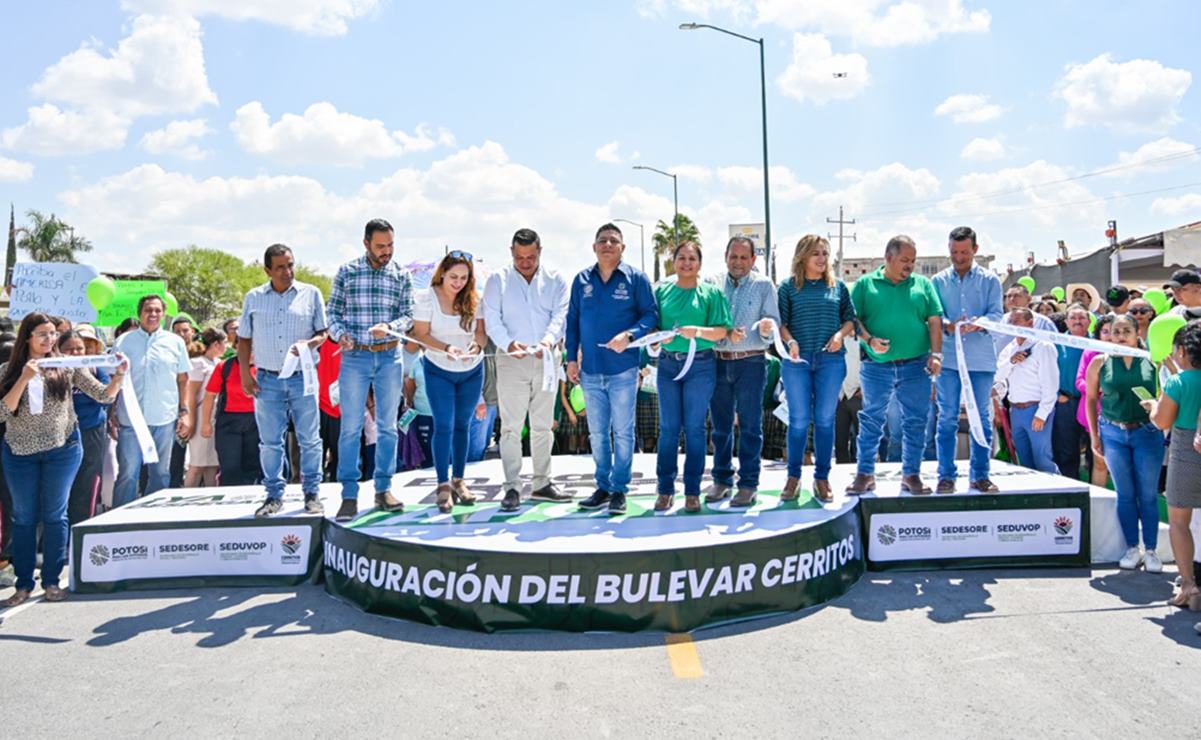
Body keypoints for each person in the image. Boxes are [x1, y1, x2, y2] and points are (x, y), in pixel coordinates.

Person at [0, 312, 127, 606]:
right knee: (24, 516)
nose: (49, 339)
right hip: (20, 452)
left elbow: (104, 395)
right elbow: (3, 412)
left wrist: (119, 375)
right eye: (42, 334)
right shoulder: (8, 369)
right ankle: (23, 584)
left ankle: (52, 581)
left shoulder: (66, 367)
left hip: (63, 450)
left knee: (56, 514)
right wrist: (24, 378)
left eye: (52, 334)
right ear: (27, 338)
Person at [565, 223, 658, 515]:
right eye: (602, 240)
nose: (607, 244)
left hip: (623, 370)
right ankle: (602, 486)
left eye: (613, 241)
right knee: (597, 433)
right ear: (594, 247)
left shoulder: (636, 279)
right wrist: (570, 358)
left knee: (623, 431)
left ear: (622, 248)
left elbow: (651, 315)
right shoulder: (581, 280)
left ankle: (620, 489)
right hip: (590, 370)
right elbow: (572, 321)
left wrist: (630, 335)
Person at [326, 218, 414, 521]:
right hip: (355, 358)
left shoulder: (401, 275)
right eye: (380, 246)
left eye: (390, 245)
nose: (386, 251)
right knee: (350, 428)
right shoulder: (347, 272)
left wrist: (391, 327)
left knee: (388, 426)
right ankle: (349, 493)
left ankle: (383, 488)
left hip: (390, 357)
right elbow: (332, 313)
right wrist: (341, 335)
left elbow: (409, 316)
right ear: (366, 244)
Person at [847, 235, 944, 495]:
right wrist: (868, 339)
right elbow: (851, 319)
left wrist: (937, 355)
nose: (909, 266)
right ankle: (865, 474)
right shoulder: (865, 285)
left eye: (912, 261)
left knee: (916, 421)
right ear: (888, 258)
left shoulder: (923, 284)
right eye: (904, 260)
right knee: (871, 420)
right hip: (876, 366)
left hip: (916, 366)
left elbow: (934, 320)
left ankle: (911, 475)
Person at [483, 228, 571, 510]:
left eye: (530, 257)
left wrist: (547, 340)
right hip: (511, 360)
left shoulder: (556, 279)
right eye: (520, 257)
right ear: (511, 252)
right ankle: (511, 487)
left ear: (540, 251)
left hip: (546, 358)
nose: (525, 262)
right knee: (510, 427)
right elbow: (491, 318)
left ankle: (542, 482)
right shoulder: (498, 279)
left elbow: (561, 314)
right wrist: (509, 344)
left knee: (543, 425)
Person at [237, 243, 328, 516]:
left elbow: (323, 333)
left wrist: (310, 343)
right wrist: (244, 372)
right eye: (280, 267)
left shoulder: (310, 294)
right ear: (267, 270)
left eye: (290, 265)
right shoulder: (253, 298)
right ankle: (274, 494)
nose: (287, 271)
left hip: (303, 378)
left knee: (310, 439)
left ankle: (311, 492)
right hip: (267, 379)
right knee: (269, 441)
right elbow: (244, 338)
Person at [652, 241, 731, 513]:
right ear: (674, 262)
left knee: (695, 429)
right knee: (669, 429)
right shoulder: (660, 291)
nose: (686, 263)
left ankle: (693, 491)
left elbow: (722, 331)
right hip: (667, 366)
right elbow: (652, 327)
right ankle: (664, 489)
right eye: (682, 258)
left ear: (700, 263)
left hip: (700, 366)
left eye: (692, 258)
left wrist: (697, 330)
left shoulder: (711, 293)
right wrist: (652, 341)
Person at [777, 234, 854, 503]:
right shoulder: (787, 288)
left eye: (825, 253)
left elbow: (850, 321)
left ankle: (822, 477)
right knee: (798, 421)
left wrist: (839, 336)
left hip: (830, 361)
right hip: (797, 361)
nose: (822, 259)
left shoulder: (838, 287)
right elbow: (781, 324)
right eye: (816, 254)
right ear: (802, 257)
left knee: (824, 420)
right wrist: (790, 341)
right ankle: (793, 477)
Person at [706, 236, 782, 507]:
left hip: (752, 362)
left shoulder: (764, 285)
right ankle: (722, 480)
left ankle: (749, 484)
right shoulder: (712, 283)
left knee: (750, 426)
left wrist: (766, 326)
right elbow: (705, 318)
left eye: (743, 257)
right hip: (717, 360)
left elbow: (774, 320)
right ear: (725, 255)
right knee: (720, 427)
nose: (738, 262)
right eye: (733, 256)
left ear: (753, 259)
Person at [410, 251, 487, 513]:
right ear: (442, 273)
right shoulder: (425, 298)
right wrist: (447, 348)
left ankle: (459, 480)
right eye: (453, 276)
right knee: (443, 425)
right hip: (439, 369)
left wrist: (476, 347)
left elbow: (481, 334)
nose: (458, 283)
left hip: (471, 370)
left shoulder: (475, 299)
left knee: (463, 426)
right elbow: (421, 335)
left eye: (464, 278)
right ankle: (443, 484)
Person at [1085, 313, 1161, 572]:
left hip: (1147, 433)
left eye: (1126, 331)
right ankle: (1132, 548)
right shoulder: (1099, 362)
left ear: (1137, 333)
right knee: (1125, 494)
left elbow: (1167, 392)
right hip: (1113, 433)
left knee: (1148, 495)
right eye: (1115, 331)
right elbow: (1091, 400)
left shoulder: (1153, 360)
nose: (1120, 336)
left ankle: (1151, 550)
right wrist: (1095, 435)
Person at [931, 226, 1004, 494]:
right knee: (947, 417)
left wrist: (980, 323)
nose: (958, 257)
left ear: (975, 249)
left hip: (981, 360)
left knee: (980, 418)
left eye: (964, 252)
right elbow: (933, 317)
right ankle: (946, 476)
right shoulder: (937, 281)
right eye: (953, 252)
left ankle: (980, 475)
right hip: (949, 360)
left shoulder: (990, 281)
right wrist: (949, 325)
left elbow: (998, 315)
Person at [112, 295, 192, 507]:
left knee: (160, 473)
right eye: (148, 310)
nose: (153, 314)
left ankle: (153, 518)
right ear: (140, 313)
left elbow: (183, 379)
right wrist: (111, 413)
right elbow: (114, 380)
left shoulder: (175, 342)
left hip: (164, 419)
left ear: (164, 314)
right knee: (128, 474)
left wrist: (184, 412)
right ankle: (119, 522)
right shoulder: (123, 342)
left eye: (157, 310)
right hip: (130, 420)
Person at [1144, 321, 1201, 607]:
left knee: (1179, 522)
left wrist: (1153, 406)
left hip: (1185, 451)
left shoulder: (1177, 383)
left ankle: (1189, 584)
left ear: (1181, 351)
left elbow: (1162, 421)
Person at [58, 328, 114, 525]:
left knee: (86, 483)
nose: (75, 353)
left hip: (91, 432)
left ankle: (79, 527)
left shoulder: (96, 370)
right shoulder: (52, 372)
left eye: (79, 349)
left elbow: (107, 398)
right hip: (61, 436)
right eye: (69, 349)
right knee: (61, 488)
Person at [995, 308, 1059, 473]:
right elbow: (998, 375)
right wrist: (1011, 361)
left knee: (1043, 459)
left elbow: (1051, 384)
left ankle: (1056, 494)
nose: (1012, 325)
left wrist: (1042, 413)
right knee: (1024, 460)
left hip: (1035, 409)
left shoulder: (1043, 346)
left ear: (1030, 323)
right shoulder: (1010, 348)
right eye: (1010, 322)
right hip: (1016, 410)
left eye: (1016, 321)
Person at [201, 353, 261, 486]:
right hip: (229, 422)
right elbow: (210, 395)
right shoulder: (225, 366)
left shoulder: (263, 367)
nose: (251, 353)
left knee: (252, 465)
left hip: (256, 421)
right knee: (230, 466)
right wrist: (206, 423)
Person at [1051, 304, 1091, 481]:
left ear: (1089, 321)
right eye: (1073, 318)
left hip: (1091, 402)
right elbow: (1049, 371)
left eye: (1082, 318)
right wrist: (1057, 395)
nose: (1077, 321)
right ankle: (1070, 485)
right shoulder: (1057, 343)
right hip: (1066, 402)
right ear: (1066, 322)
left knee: (1093, 449)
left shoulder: (1097, 343)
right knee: (1066, 449)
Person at [1076, 314, 1116, 486]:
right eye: (1105, 331)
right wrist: (1096, 388)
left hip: (1121, 415)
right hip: (1095, 415)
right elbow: (1079, 381)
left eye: (1113, 331)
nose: (1109, 335)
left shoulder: (1130, 353)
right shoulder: (1090, 352)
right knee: (1098, 461)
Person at [183, 328, 225, 488]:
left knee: (212, 464)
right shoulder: (198, 363)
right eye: (224, 343)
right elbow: (191, 395)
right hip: (200, 415)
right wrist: (192, 421)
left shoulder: (216, 363)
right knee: (198, 463)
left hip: (215, 415)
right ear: (216, 344)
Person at [995, 284, 1057, 355]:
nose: (1011, 299)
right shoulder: (999, 321)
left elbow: (1054, 348)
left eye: (1016, 296)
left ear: (1029, 299)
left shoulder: (1043, 322)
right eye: (1008, 296)